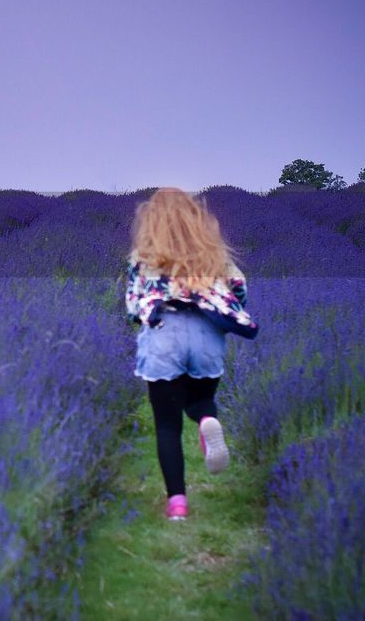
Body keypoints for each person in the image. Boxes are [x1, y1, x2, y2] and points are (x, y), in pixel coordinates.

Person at [123, 188, 258, 520]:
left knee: (167, 426)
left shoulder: (144, 257)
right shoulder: (214, 255)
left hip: (164, 334)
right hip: (206, 335)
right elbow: (239, 290)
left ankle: (178, 506)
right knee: (200, 400)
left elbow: (132, 305)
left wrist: (147, 312)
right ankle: (207, 420)